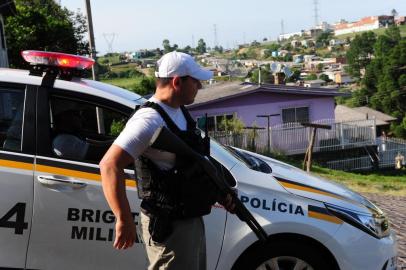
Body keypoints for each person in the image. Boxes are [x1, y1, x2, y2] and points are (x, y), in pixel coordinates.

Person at [100, 51, 235, 270]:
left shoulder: (179, 111)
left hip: (189, 219)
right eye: (196, 82)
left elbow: (193, 163)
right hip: (169, 225)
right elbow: (109, 165)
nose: (199, 87)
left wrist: (221, 191)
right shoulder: (149, 120)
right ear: (176, 82)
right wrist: (123, 218)